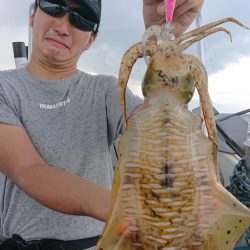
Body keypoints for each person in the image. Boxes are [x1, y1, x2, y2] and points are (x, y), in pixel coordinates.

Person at [0, 0, 204, 249]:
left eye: (81, 19)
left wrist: (158, 48)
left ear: (91, 39)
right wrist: (129, 212)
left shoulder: (106, 90)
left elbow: (160, 127)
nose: (63, 27)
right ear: (33, 14)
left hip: (103, 242)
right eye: (54, 6)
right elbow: (27, 169)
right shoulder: (4, 88)